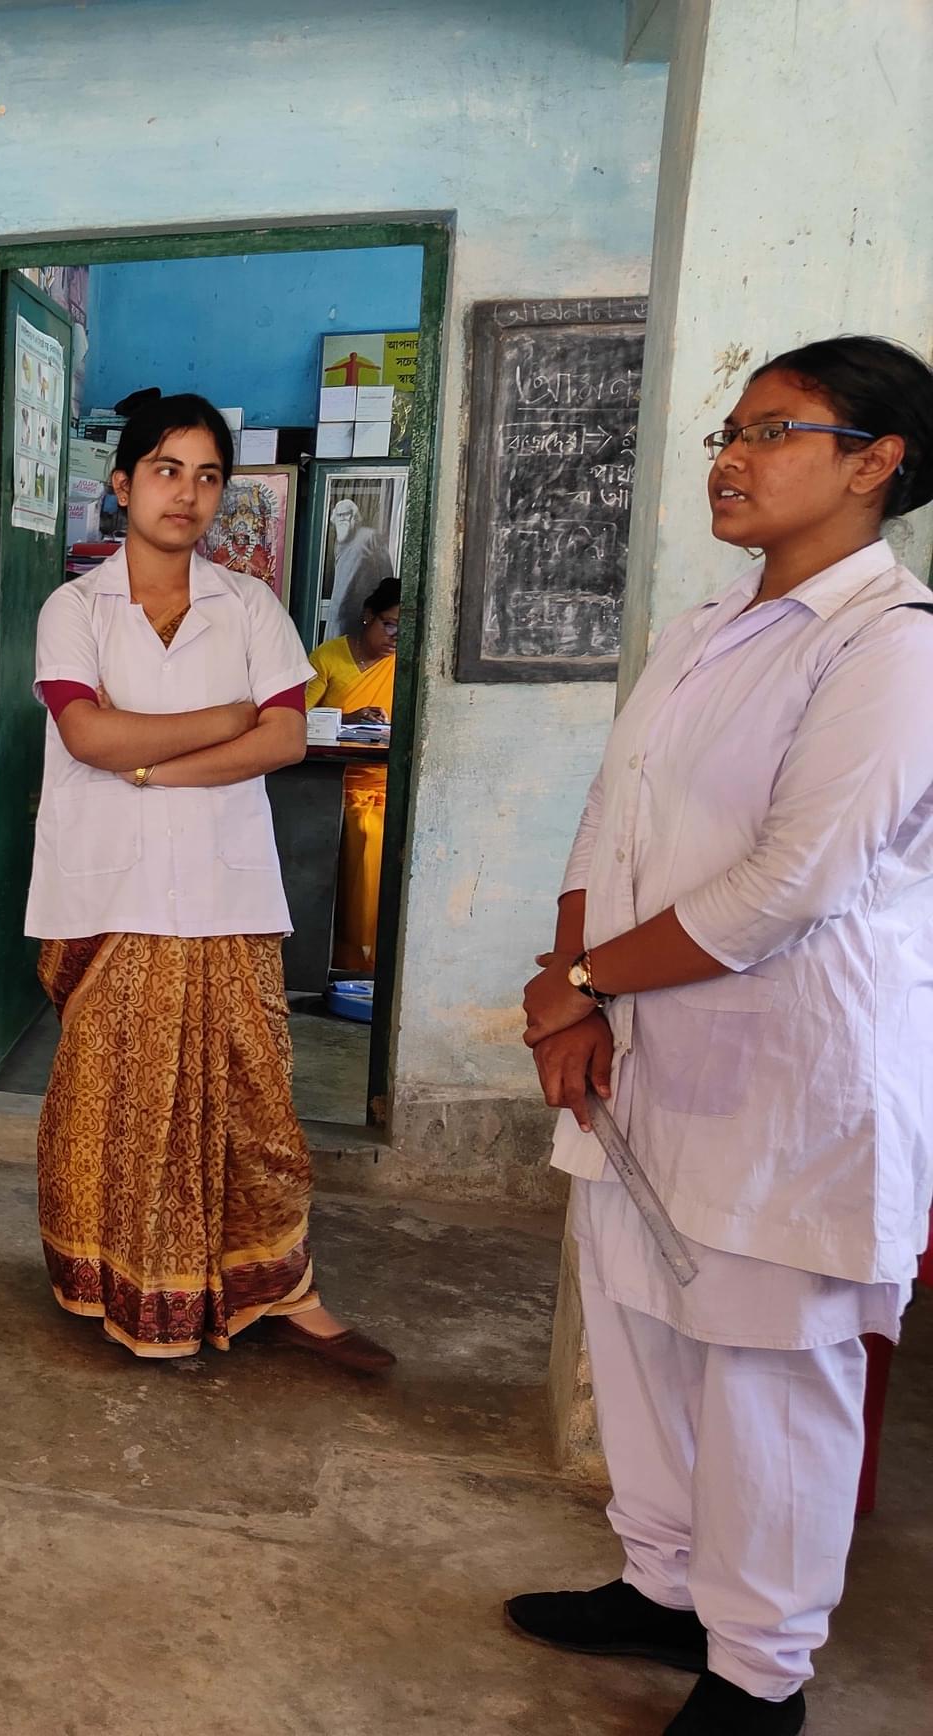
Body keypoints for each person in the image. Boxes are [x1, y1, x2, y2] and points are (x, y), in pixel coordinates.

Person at [506, 335, 933, 1736]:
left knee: (766, 1377)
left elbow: (788, 888)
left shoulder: (891, 650)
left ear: (878, 464)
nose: (731, 458)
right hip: (641, 1053)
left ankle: (761, 1672)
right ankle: (661, 1581)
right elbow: (610, 815)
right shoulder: (704, 631)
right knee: (638, 1324)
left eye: (777, 431)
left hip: (783, 1079)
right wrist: (578, 986)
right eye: (730, 430)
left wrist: (580, 980)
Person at [26, 391, 393, 1371]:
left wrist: (150, 766)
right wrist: (218, 718)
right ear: (122, 484)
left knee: (256, 1107)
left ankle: (284, 1288)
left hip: (226, 897)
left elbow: (280, 735)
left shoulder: (250, 607)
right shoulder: (75, 609)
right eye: (165, 470)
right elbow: (84, 732)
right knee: (113, 1107)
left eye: (206, 475)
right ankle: (111, 1278)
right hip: (109, 896)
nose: (185, 493)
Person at [304, 577, 401, 973]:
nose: (396, 637)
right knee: (362, 833)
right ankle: (345, 961)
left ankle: (375, 965)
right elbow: (292, 718)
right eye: (390, 624)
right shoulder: (328, 659)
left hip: (386, 784)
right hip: (334, 787)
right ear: (368, 617)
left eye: (405, 628)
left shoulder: (406, 665)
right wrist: (346, 718)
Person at [326, 493, 398, 638]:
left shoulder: (369, 536)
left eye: (346, 515)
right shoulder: (340, 542)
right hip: (339, 612)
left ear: (354, 517)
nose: (343, 520)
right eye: (339, 516)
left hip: (360, 610)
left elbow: (386, 571)